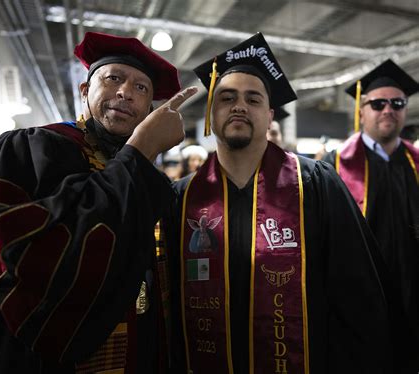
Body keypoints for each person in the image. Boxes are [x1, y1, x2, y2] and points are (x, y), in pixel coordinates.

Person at [0, 32, 197, 373]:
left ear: (148, 110)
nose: (126, 92)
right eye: (113, 78)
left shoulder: (147, 175)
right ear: (84, 91)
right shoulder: (32, 149)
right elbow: (36, 257)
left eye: (141, 88)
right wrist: (139, 152)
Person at [165, 33, 389, 373]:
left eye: (252, 99)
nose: (239, 105)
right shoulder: (181, 199)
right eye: (227, 98)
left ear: (270, 115)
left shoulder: (316, 184)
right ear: (211, 112)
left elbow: (358, 299)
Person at [323, 59, 419, 373]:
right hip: (358, 308)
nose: (388, 109)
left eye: (397, 102)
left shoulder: (416, 163)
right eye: (378, 103)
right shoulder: (331, 166)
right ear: (361, 110)